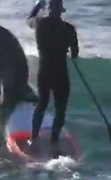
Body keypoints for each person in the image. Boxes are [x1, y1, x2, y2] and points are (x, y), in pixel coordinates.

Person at [26, 0, 79, 151]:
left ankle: (33, 138)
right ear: (61, 10)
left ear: (49, 9)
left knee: (42, 104)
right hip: (61, 73)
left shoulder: (40, 23)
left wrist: (37, 6)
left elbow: (28, 20)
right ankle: (54, 142)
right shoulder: (69, 29)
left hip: (45, 72)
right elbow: (75, 54)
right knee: (60, 110)